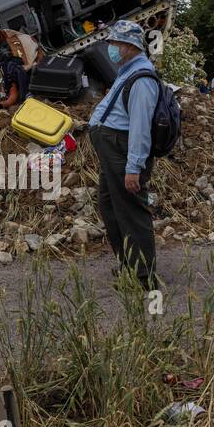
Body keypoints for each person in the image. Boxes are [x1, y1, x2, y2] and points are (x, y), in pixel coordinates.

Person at [89, 20, 159, 289]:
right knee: (110, 207)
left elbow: (141, 128)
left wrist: (134, 167)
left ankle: (144, 278)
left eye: (115, 44)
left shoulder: (142, 79)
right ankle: (129, 265)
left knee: (130, 211)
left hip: (123, 153)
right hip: (113, 152)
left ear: (129, 47)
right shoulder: (127, 72)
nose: (111, 49)